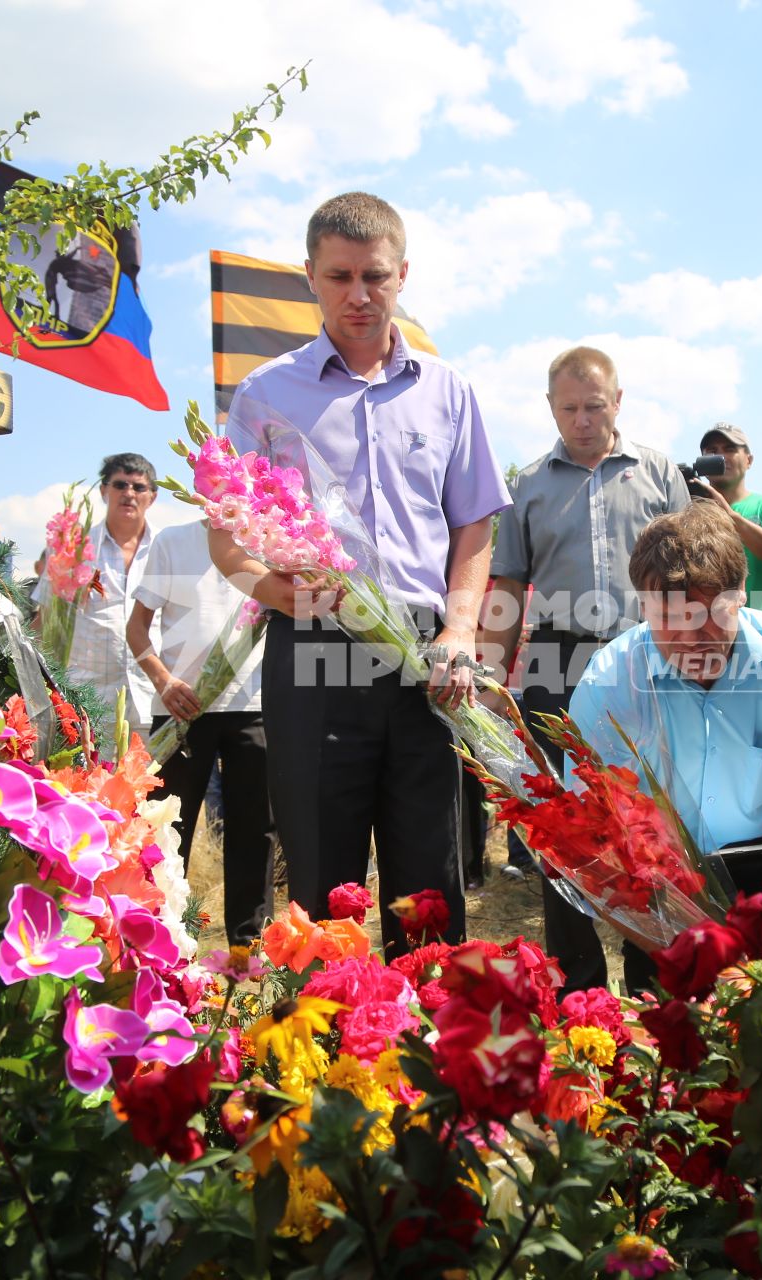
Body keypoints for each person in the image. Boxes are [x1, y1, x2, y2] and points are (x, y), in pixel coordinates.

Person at [210, 192, 511, 952]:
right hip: (312, 643)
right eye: (339, 275)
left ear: (402, 274)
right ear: (309, 276)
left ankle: (429, 1048)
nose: (358, 293)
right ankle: (330, 1048)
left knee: (429, 879)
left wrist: (462, 626)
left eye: (374, 275)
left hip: (425, 657)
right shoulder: (264, 397)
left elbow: (476, 520)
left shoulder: (449, 391)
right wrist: (286, 593)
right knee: (319, 868)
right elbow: (227, 545)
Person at [567, 501, 762, 990]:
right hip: (660, 900)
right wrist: (662, 931)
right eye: (670, 619)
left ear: (741, 597)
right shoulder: (610, 685)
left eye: (712, 615)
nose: (693, 639)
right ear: (643, 608)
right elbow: (585, 832)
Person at [481, 344, 690, 991]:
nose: (581, 419)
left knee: (650, 820)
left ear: (618, 401)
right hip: (557, 662)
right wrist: (490, 678)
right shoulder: (530, 486)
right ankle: (579, 984)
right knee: (564, 824)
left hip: (647, 658)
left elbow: (694, 573)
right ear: (550, 408)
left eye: (594, 406)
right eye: (568, 408)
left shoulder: (659, 473)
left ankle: (656, 975)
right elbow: (508, 585)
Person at [126, 516, 274, 944]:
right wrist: (164, 681)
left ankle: (247, 950)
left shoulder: (273, 543)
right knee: (166, 830)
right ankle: (157, 939)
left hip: (256, 706)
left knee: (254, 830)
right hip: (180, 709)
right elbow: (137, 627)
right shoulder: (172, 540)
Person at [34, 453, 161, 756]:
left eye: (139, 487)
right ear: (104, 491)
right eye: (120, 484)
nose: (129, 493)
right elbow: (46, 619)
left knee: (148, 796)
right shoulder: (74, 548)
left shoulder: (165, 547)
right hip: (89, 699)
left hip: (150, 699)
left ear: (152, 497)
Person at [693, 424, 762, 615]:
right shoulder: (690, 512)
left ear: (749, 460)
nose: (721, 456)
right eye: (712, 451)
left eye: (730, 449)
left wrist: (730, 516)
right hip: (708, 626)